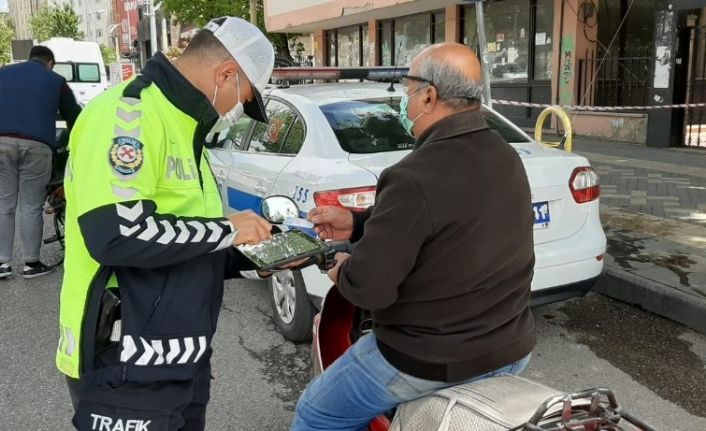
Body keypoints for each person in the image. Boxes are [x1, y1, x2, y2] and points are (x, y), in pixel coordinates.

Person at [292, 43, 536, 430]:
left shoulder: (412, 175)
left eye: (407, 93)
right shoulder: (504, 154)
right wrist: (357, 223)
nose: (406, 105)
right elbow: (444, 220)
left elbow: (370, 289)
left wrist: (340, 269)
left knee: (317, 412)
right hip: (510, 345)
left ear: (429, 96)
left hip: (427, 356)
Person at [56, 17, 275, 430]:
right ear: (225, 73)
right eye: (243, 98)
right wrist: (228, 230)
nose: (236, 111)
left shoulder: (184, 126)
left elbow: (186, 241)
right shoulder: (129, 115)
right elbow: (116, 233)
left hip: (179, 350)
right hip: (123, 349)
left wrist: (252, 259)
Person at [0, 45, 82, 279]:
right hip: (37, 145)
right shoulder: (56, 80)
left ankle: (2, 264)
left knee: (4, 204)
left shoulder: (3, 72)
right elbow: (74, 117)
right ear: (49, 63)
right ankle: (31, 264)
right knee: (30, 205)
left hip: (1, 141)